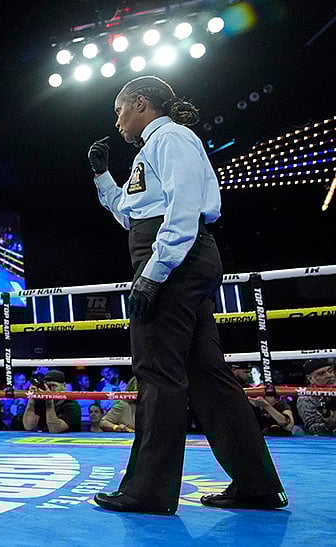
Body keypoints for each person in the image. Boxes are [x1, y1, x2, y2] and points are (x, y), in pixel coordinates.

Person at [88, 76, 286, 515]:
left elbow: (184, 208)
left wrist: (155, 271)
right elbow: (129, 214)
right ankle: (256, 484)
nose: (117, 122)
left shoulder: (172, 138)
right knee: (208, 378)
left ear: (141, 103)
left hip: (173, 256)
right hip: (172, 253)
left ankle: (148, 491)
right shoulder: (152, 149)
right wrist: (102, 177)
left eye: (120, 110)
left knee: (158, 372)